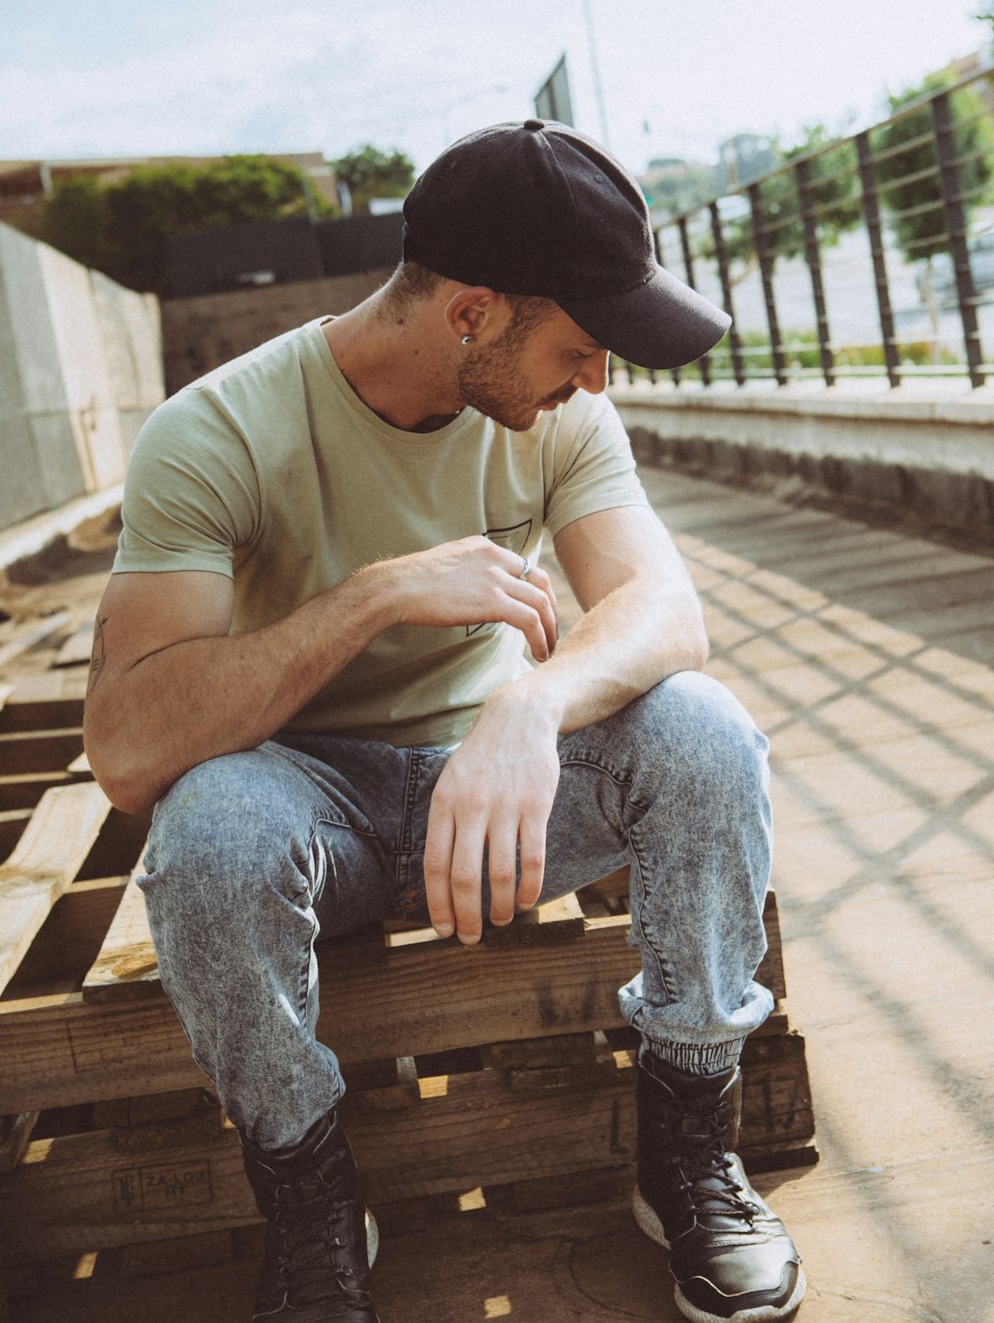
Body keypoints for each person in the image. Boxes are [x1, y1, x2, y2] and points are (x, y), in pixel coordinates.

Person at [84, 119, 805, 1323]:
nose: (596, 381)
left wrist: (531, 703)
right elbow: (126, 748)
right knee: (201, 831)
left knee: (704, 730)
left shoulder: (563, 413)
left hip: (503, 800)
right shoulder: (216, 433)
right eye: (580, 347)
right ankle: (313, 1200)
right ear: (471, 314)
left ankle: (687, 1146)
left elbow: (664, 610)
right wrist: (369, 600)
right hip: (312, 813)